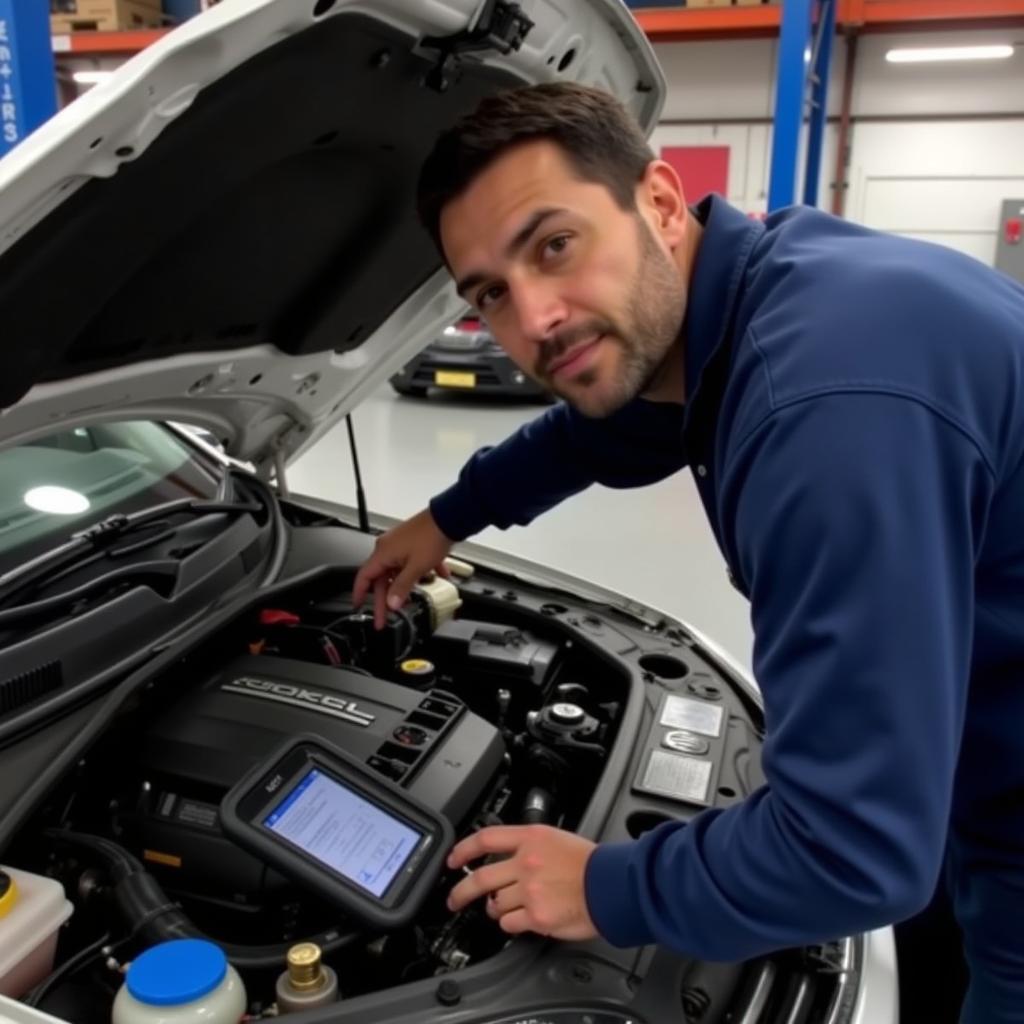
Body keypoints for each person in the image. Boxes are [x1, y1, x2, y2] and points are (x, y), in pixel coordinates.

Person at [352, 82, 1024, 1023]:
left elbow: (853, 850)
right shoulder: (761, 287)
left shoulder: (822, 415)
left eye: (555, 244)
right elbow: (608, 429)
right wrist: (445, 517)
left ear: (660, 203)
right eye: (492, 293)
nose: (536, 319)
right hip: (973, 744)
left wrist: (604, 887)